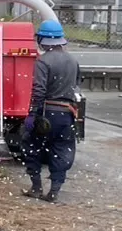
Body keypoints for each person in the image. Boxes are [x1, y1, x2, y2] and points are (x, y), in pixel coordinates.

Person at [21, 19, 80, 203]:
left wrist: (32, 114)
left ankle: (36, 187)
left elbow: (39, 90)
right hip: (67, 114)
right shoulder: (73, 60)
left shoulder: (43, 61)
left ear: (43, 40)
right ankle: (54, 191)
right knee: (61, 150)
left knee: (32, 146)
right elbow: (76, 85)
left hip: (47, 113)